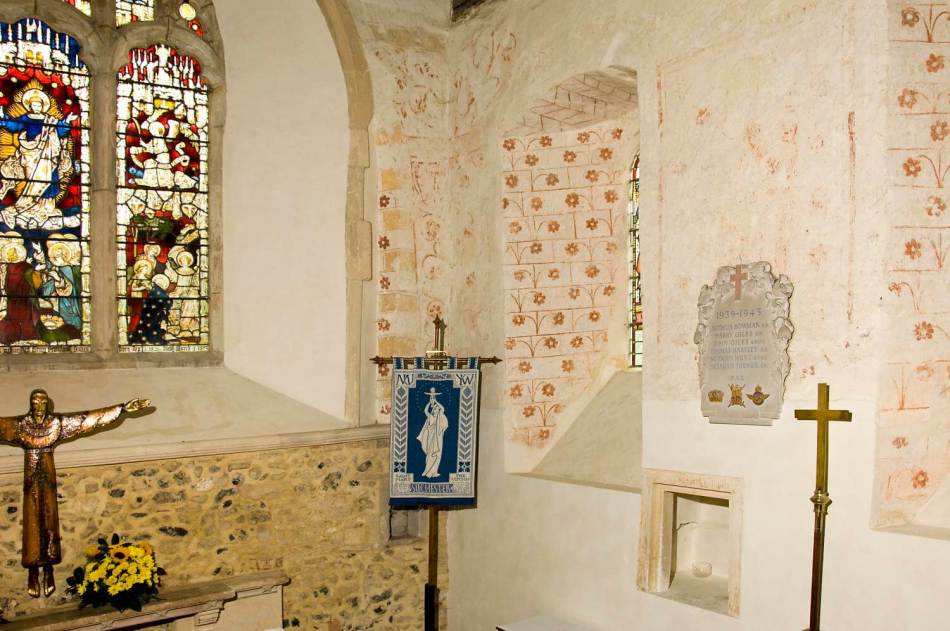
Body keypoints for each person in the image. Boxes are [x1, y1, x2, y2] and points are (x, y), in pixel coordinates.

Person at [0, 390, 150, 597]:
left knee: (50, 521)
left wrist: (122, 409)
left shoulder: (57, 424)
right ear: (30, 403)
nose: (39, 404)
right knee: (33, 522)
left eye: (43, 401)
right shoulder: (18, 425)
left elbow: (87, 419)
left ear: (47, 404)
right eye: (36, 400)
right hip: (31, 479)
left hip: (48, 476)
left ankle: (50, 567)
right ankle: (33, 570)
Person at [0, 87, 78, 231]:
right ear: (30, 105)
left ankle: (47, 207)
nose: (37, 107)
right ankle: (29, 206)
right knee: (33, 181)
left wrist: (66, 120)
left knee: (50, 179)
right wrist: (3, 118)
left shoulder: (50, 119)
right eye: (34, 105)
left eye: (39, 105)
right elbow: (14, 125)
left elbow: (60, 130)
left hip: (48, 155)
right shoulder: (26, 118)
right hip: (30, 154)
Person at [417, 388, 449, 478]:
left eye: (437, 410)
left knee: (437, 455)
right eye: (435, 410)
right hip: (430, 439)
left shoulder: (440, 418)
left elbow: (442, 409)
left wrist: (436, 401)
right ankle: (427, 471)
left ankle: (434, 472)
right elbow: (426, 411)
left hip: (438, 439)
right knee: (430, 455)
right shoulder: (431, 417)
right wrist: (429, 402)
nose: (436, 411)